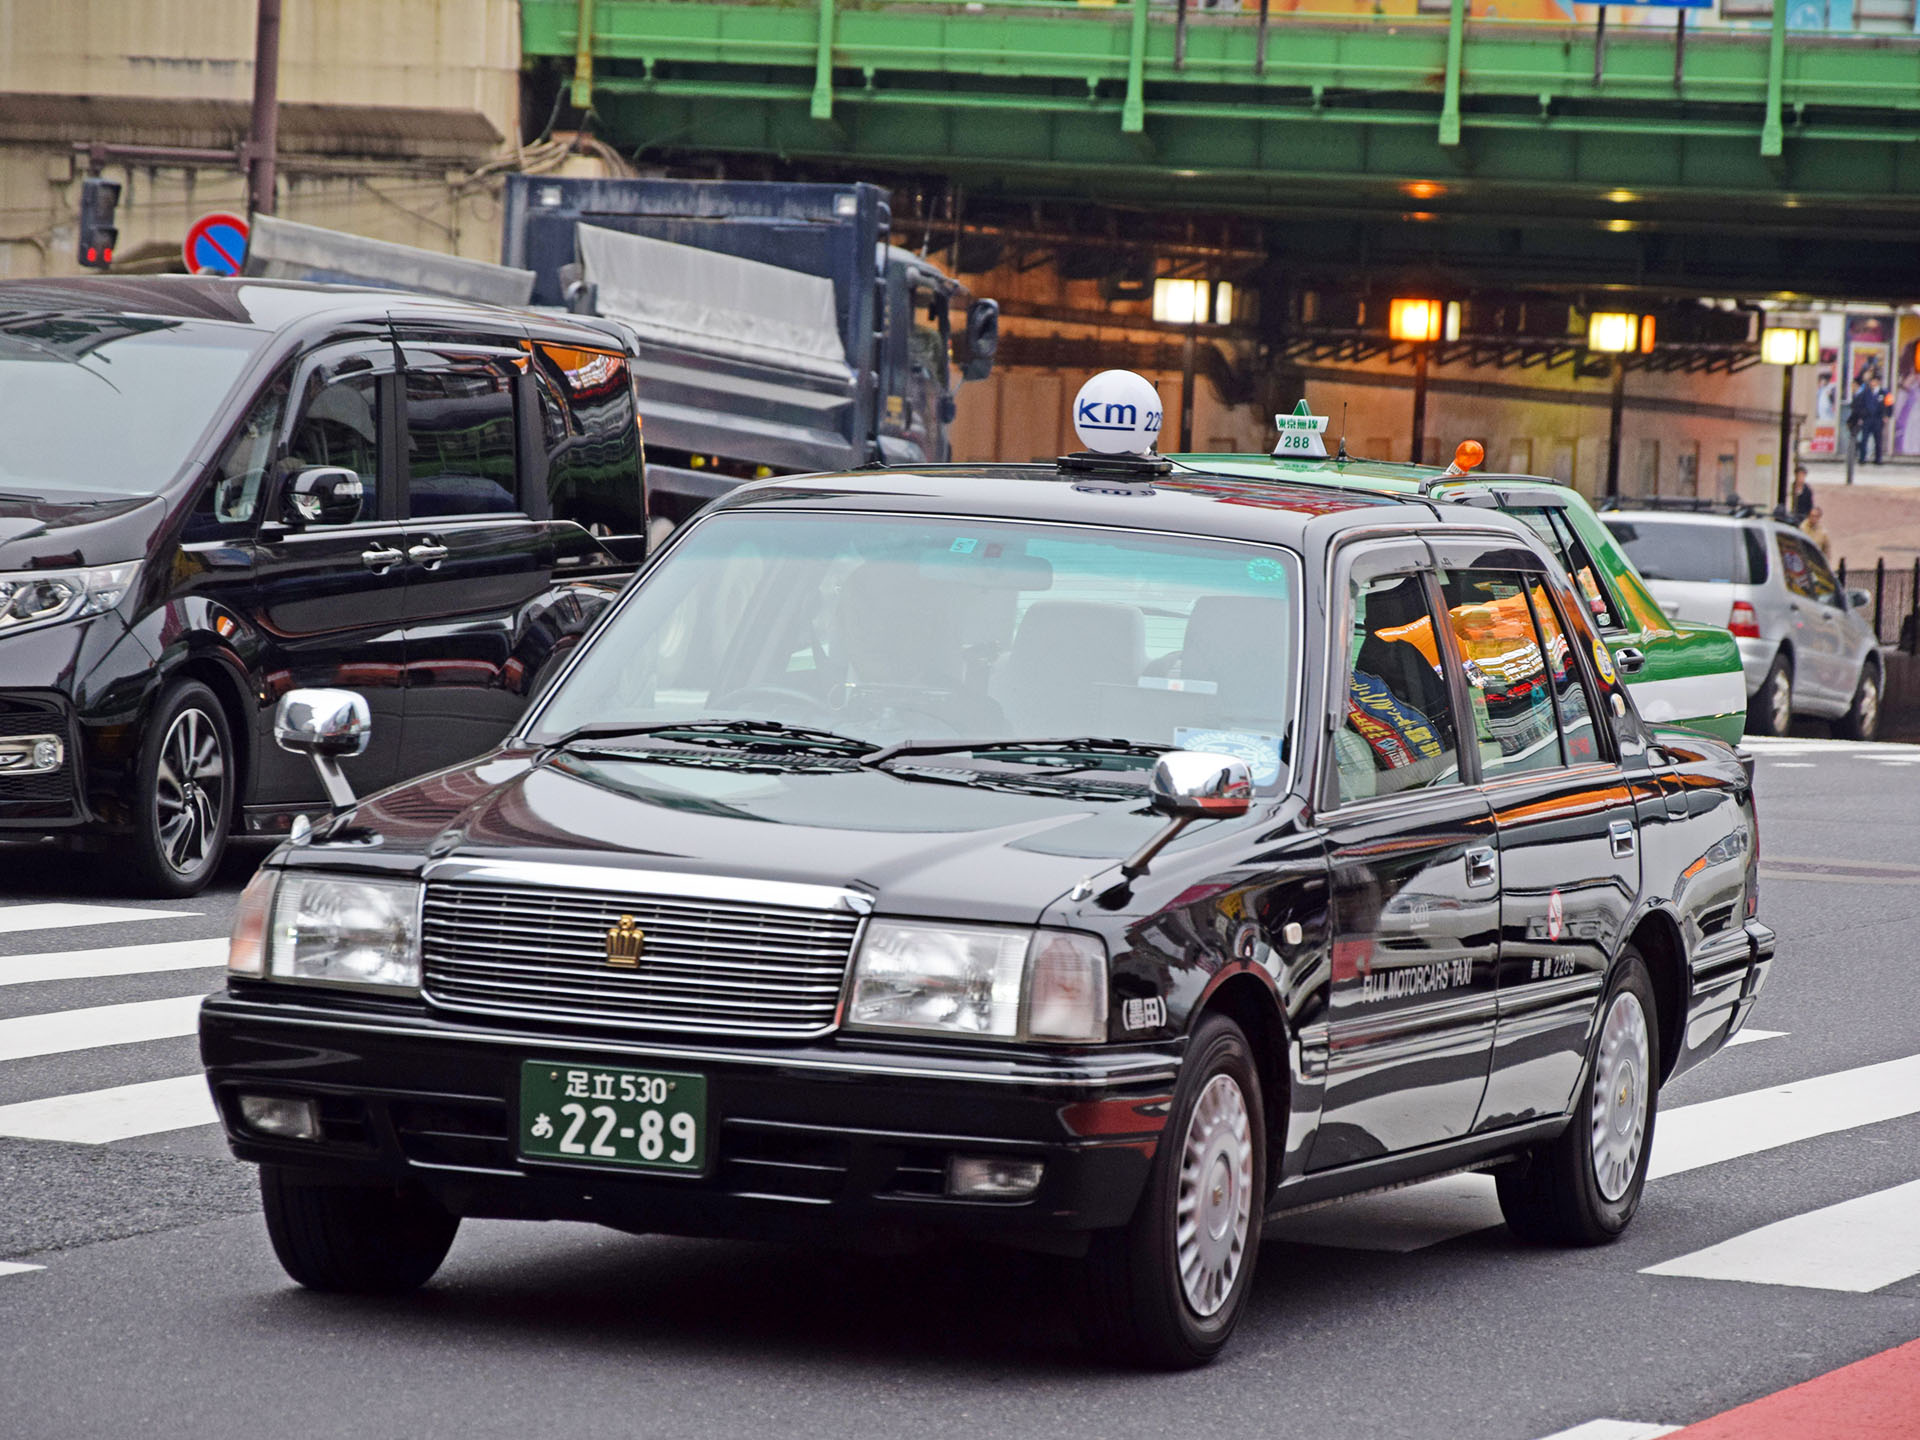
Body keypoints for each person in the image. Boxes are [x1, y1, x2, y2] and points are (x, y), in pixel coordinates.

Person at [1851, 372, 1886, 464]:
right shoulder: (1866, 393)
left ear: (1878, 382)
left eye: (1874, 381)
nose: (1872, 383)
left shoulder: (1883, 392)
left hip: (1878, 419)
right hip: (1867, 419)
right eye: (1871, 381)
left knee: (1878, 440)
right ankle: (1863, 458)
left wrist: (1885, 416)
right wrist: (1862, 415)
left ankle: (1878, 459)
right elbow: (1859, 403)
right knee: (1864, 439)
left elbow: (1888, 405)